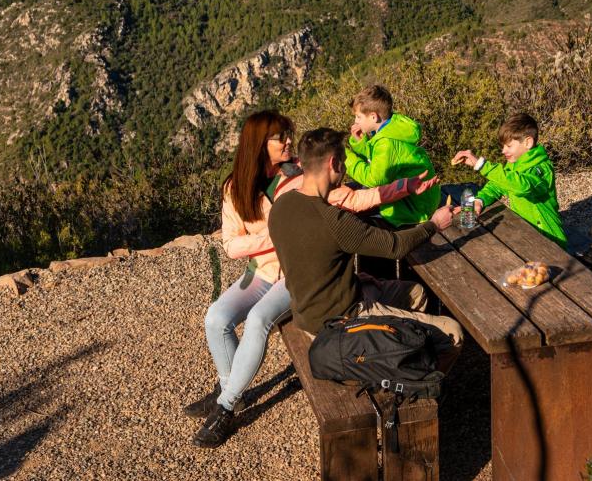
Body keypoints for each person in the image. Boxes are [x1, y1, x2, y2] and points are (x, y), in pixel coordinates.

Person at [186, 110, 435, 448]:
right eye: (280, 137)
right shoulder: (236, 187)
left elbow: (352, 199)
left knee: (259, 319)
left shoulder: (299, 177)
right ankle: (229, 386)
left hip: (295, 272)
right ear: (260, 144)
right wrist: (282, 231)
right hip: (260, 271)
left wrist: (404, 188)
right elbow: (231, 246)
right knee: (216, 318)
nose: (289, 141)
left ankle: (225, 406)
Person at [269, 127, 463, 373]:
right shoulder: (333, 220)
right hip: (343, 320)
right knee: (452, 333)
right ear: (334, 163)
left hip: (308, 312)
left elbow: (312, 260)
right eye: (344, 162)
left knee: (416, 293)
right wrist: (433, 224)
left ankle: (402, 359)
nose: (346, 169)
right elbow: (395, 246)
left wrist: (352, 281)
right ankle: (417, 384)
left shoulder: (282, 205)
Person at [450, 112, 568, 248]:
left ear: (528, 142)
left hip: (550, 239)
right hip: (527, 233)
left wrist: (482, 165)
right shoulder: (514, 163)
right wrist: (479, 200)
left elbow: (522, 186)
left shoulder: (542, 169)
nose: (503, 151)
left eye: (509, 146)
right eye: (503, 146)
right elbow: (498, 185)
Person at [344, 84, 440, 226]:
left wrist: (345, 158)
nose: (355, 121)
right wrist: (360, 143)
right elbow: (380, 159)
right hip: (423, 200)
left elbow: (374, 179)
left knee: (352, 213)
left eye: (358, 117)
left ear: (373, 117)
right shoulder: (392, 128)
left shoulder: (387, 142)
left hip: (412, 208)